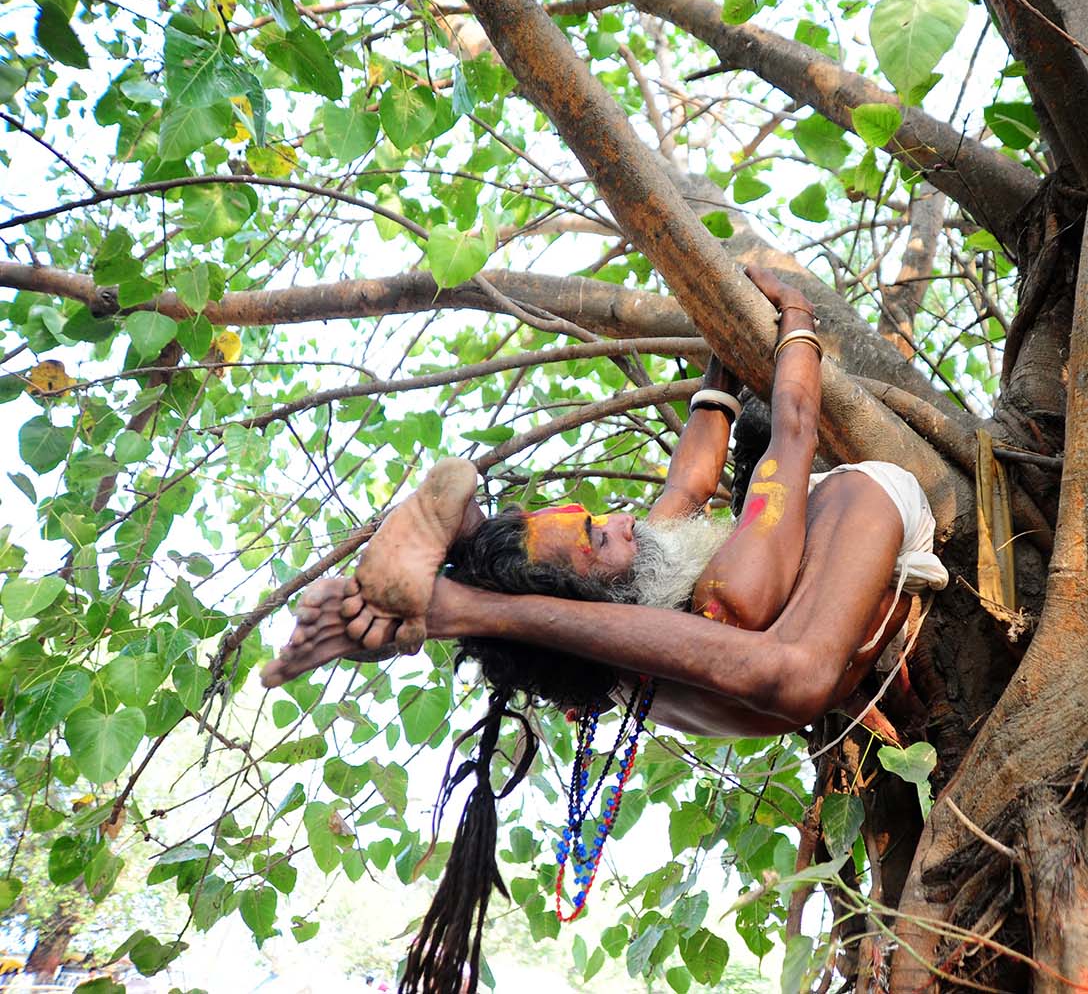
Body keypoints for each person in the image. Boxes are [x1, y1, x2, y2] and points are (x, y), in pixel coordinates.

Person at [263, 267, 948, 994]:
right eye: (596, 538)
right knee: (747, 566)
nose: (619, 519)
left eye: (594, 516)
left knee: (708, 535)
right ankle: (460, 599)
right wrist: (797, 315)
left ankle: (461, 571)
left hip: (826, 573)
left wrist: (721, 348)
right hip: (863, 507)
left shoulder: (630, 641)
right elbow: (796, 429)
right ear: (586, 595)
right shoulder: (721, 602)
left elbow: (688, 480)